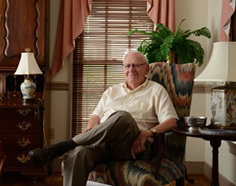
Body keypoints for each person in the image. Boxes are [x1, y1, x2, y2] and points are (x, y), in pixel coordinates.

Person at [29, 49, 179, 186]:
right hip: (103, 144)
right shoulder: (112, 91)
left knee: (123, 117)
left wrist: (149, 132)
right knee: (79, 154)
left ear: (146, 69)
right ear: (123, 69)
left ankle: (63, 146)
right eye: (127, 66)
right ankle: (71, 147)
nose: (131, 70)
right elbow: (96, 116)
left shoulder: (156, 90)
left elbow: (172, 121)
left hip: (132, 145)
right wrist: (92, 127)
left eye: (136, 65)